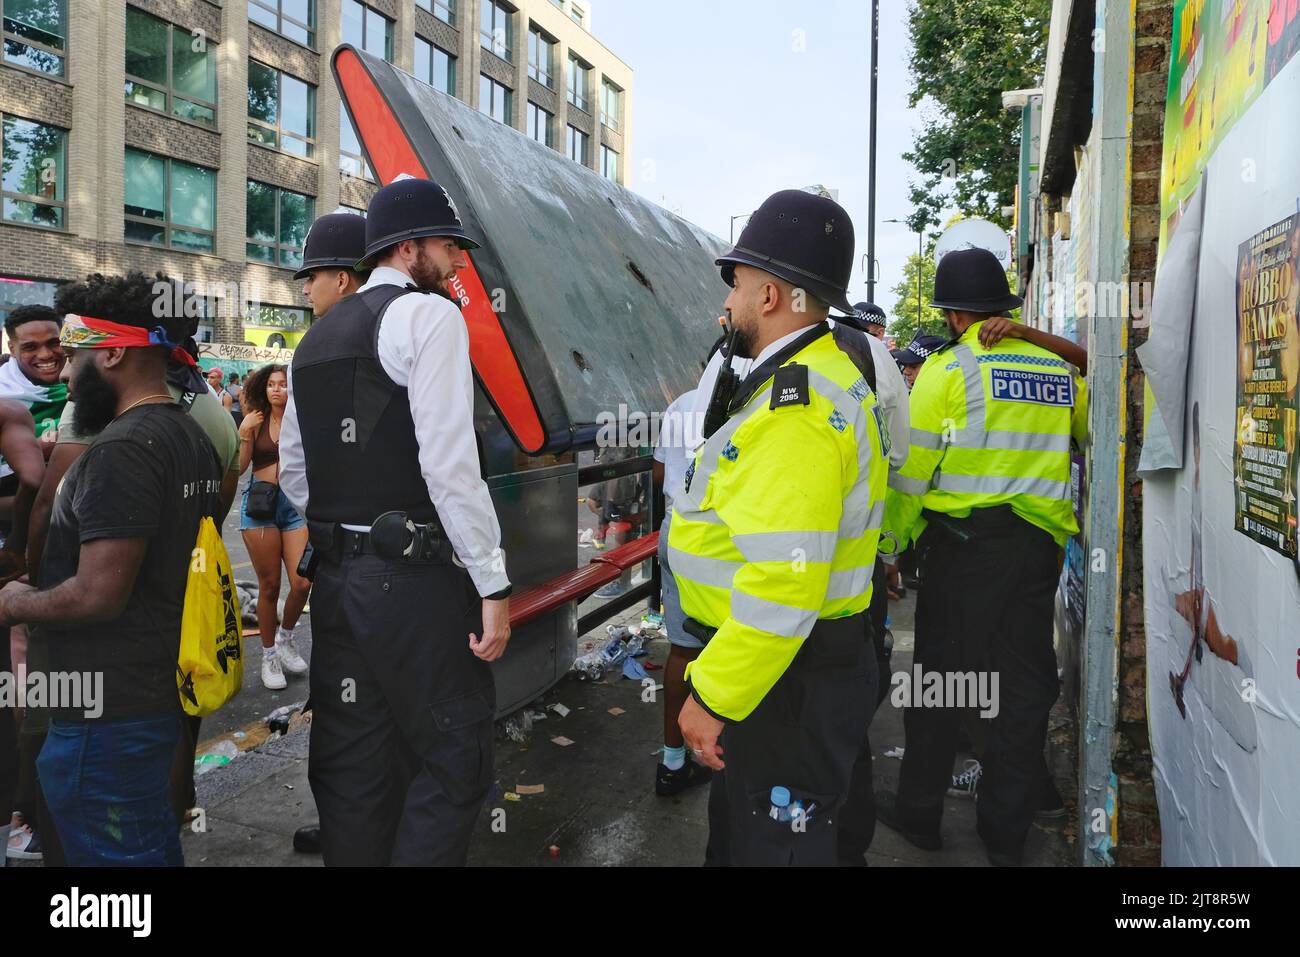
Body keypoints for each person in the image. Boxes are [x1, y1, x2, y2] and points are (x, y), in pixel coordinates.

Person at [279, 176, 511, 867]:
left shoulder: (314, 341)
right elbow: (449, 467)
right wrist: (491, 581)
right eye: (448, 245)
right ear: (409, 248)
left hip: (340, 585)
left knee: (354, 764)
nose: (456, 260)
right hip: (413, 583)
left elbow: (296, 471)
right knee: (452, 754)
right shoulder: (430, 319)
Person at [671, 189, 889, 866]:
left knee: (778, 846)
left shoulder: (799, 404)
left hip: (785, 680)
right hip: (785, 669)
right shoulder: (803, 378)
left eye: (735, 284)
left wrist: (712, 693)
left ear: (769, 296)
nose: (727, 303)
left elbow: (785, 580)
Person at [16, 272, 241, 866]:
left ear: (112, 351)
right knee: (144, 845)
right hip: (147, 692)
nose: (64, 372)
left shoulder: (120, 450)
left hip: (106, 708)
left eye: (74, 356)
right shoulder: (185, 432)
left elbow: (98, 595)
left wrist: (14, 602)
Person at [874, 247, 1088, 867]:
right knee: (1024, 693)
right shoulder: (1055, 372)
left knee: (942, 683)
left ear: (954, 315)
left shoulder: (947, 371)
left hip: (964, 554)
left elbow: (913, 478)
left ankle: (919, 817)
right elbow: (1091, 419)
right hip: (1037, 555)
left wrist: (889, 548)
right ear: (1003, 310)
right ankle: (1005, 832)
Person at [286, 209, 369, 856]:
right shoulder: (407, 331)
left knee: (339, 706)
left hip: (338, 560)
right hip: (401, 564)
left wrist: (328, 520)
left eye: (311, 276)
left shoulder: (309, 350)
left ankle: (343, 828)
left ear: (343, 278)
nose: (304, 289)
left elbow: (293, 465)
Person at [651, 388, 713, 796]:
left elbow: (658, 473)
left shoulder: (681, 403)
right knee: (732, 645)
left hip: (677, 531)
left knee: (682, 648)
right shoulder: (757, 395)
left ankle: (673, 761)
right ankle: (718, 750)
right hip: (723, 536)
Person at [238, 363, 311, 691]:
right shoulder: (255, 420)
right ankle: (268, 655)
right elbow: (240, 468)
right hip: (260, 507)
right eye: (271, 384)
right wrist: (243, 434)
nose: (278, 389)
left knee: (302, 582)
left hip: (293, 507)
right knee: (268, 587)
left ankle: (285, 637)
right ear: (264, 390)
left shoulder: (303, 419)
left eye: (283, 383)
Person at [296, 211, 369, 319]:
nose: (305, 290)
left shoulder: (338, 333)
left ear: (341, 281)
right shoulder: (385, 323)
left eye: (312, 277)